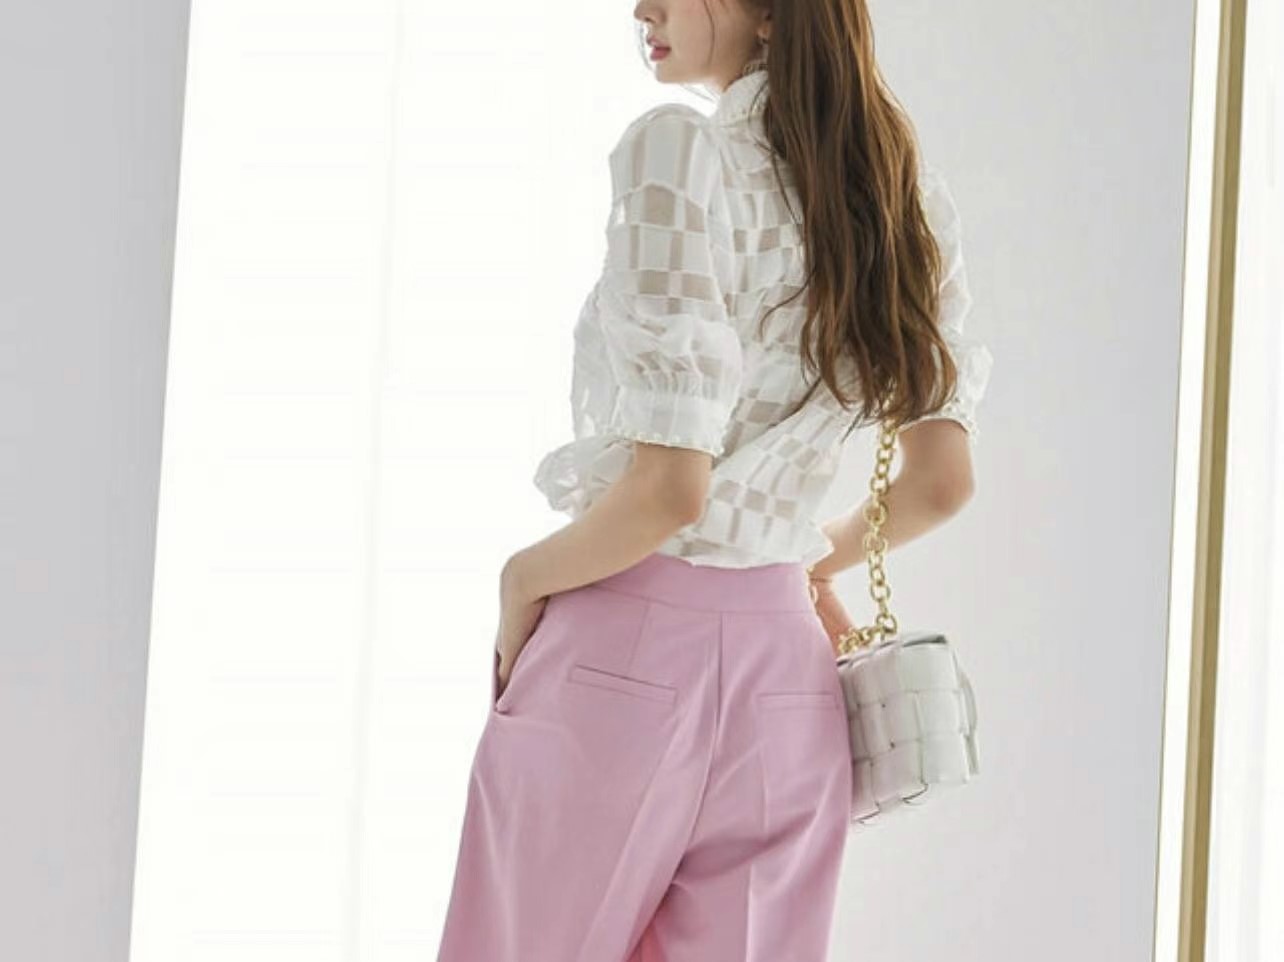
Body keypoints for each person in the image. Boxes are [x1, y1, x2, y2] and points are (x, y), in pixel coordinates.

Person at [436, 0, 994, 958]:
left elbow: (670, 492)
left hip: (622, 657)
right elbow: (942, 482)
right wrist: (804, 564)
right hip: (789, 680)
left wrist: (522, 578)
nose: (642, 8)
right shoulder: (898, 195)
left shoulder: (682, 153)